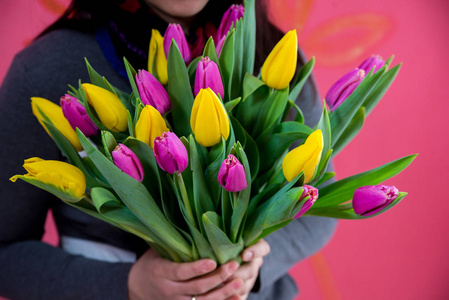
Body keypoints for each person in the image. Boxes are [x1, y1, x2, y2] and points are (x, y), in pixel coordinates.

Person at [0, 0, 338, 299]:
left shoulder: (272, 55)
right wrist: (128, 285)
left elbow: (314, 197)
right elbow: (6, 253)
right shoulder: (48, 68)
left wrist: (249, 266)